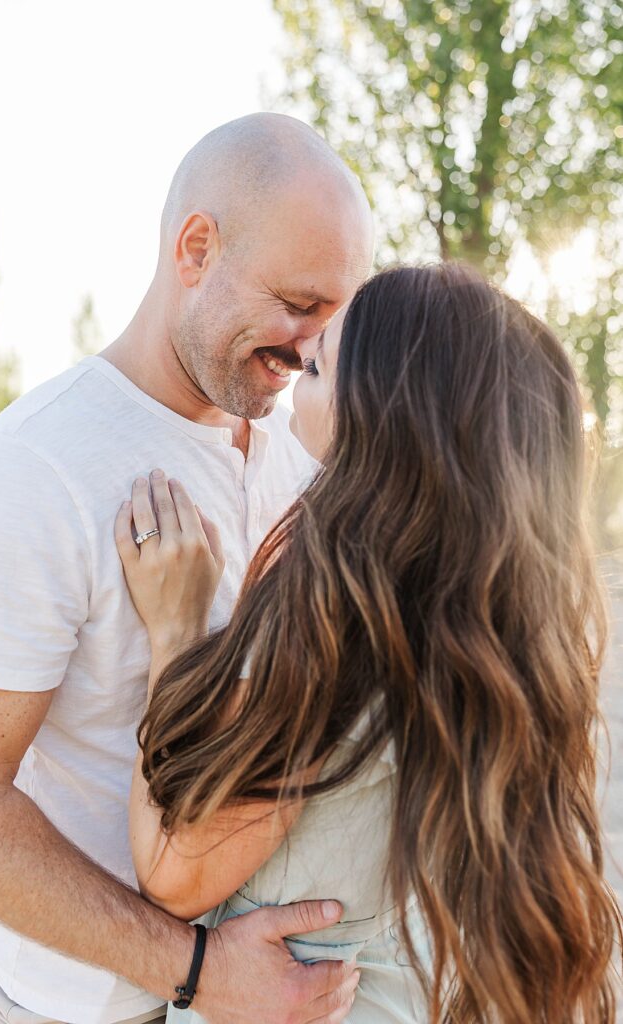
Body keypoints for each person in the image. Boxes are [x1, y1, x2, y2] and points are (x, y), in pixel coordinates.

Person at [0, 113, 374, 1024]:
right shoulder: (28, 474)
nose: (311, 347)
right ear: (196, 247)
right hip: (91, 1002)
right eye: (297, 303)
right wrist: (197, 969)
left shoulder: (304, 450)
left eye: (335, 316)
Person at [116, 264, 622, 1023]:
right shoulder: (493, 624)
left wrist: (178, 632)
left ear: (389, 425)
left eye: (318, 367)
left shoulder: (334, 626)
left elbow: (171, 872)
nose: (300, 349)